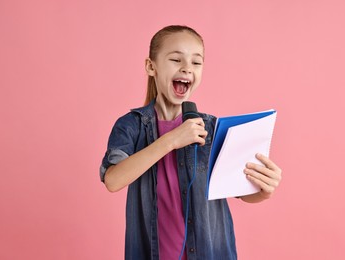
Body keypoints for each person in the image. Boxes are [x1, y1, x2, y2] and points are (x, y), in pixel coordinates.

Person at [100, 25, 282, 260]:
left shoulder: (212, 129)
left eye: (196, 62)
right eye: (176, 59)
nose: (187, 68)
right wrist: (172, 140)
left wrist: (264, 190)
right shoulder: (131, 125)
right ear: (151, 66)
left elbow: (238, 192)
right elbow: (113, 180)